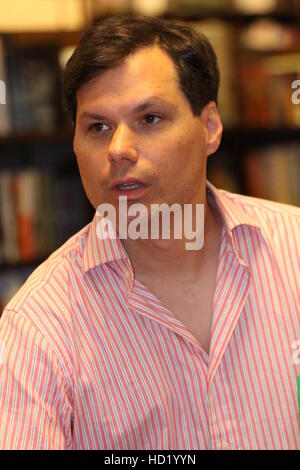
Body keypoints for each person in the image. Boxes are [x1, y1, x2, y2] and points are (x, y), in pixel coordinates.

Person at [0, 15, 299, 450]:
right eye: (98, 127)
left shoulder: (292, 247)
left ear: (210, 126)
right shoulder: (37, 330)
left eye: (150, 118)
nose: (119, 149)